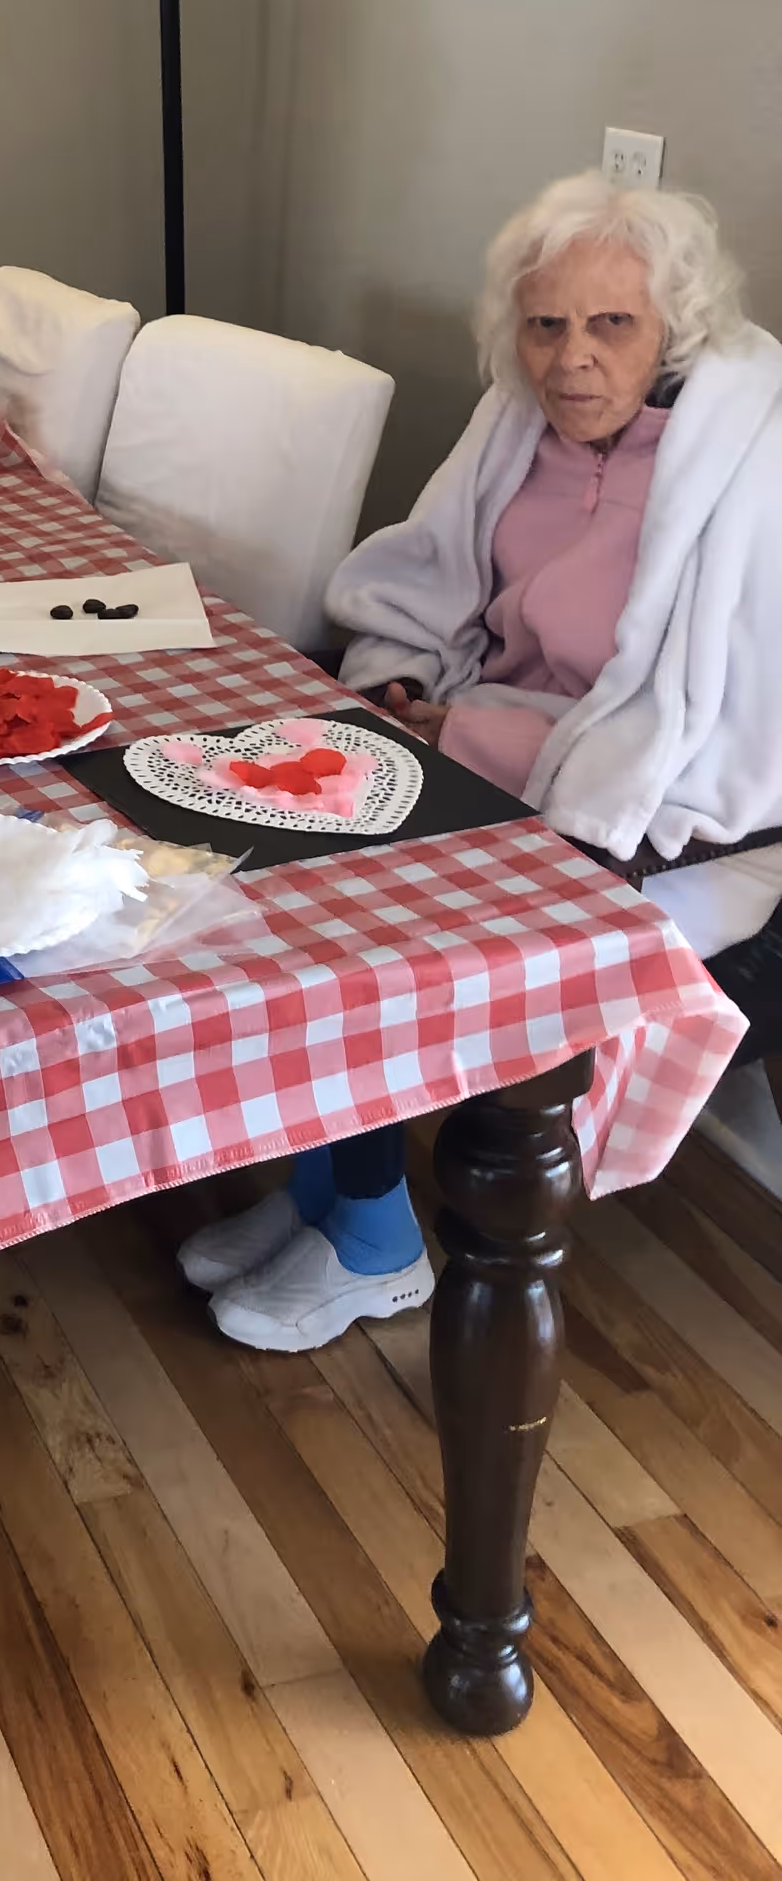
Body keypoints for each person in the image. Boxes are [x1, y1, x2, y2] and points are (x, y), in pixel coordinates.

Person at [181, 173, 782, 1351]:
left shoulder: (747, 472)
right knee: (280, 831)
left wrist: (457, 735)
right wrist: (406, 684)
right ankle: (323, 1190)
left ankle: (375, 1239)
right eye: (545, 323)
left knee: (378, 905)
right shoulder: (522, 424)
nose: (571, 360)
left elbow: (730, 733)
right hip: (502, 746)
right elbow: (433, 576)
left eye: (612, 324)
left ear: (676, 328)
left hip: (685, 819)